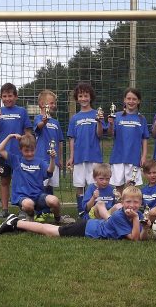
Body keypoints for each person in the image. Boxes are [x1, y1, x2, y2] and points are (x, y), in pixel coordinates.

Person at [0, 185, 151, 241]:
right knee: (53, 231)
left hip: (92, 225)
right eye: (128, 202)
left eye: (136, 202)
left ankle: (17, 223)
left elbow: (141, 237)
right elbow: (134, 239)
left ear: (141, 203)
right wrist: (137, 219)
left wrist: (147, 227)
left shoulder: (136, 215)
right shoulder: (120, 215)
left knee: (53, 231)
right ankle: (16, 222)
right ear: (122, 203)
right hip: (87, 229)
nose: (132, 205)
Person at [0, 133, 75, 224]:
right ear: (20, 150)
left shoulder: (40, 162)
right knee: (28, 204)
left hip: (38, 196)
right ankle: (30, 215)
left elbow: (50, 171)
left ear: (35, 149)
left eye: (32, 150)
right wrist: (10, 136)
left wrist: (52, 159)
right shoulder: (16, 161)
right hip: (23, 197)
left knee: (55, 201)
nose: (29, 153)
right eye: (26, 151)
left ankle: (58, 219)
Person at [0, 83, 32, 219]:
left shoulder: (22, 111)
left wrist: (26, 144)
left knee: (21, 181)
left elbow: (28, 132)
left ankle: (23, 208)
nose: (7, 99)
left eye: (10, 96)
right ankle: (4, 209)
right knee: (4, 181)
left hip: (19, 154)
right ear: (1, 97)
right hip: (3, 153)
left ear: (16, 97)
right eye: (5, 96)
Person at [66, 82, 105, 216]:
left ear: (91, 97)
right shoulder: (75, 118)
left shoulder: (97, 114)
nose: (83, 98)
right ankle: (81, 212)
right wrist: (71, 157)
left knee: (94, 185)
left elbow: (100, 134)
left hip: (94, 156)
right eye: (80, 96)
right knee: (79, 185)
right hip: (79, 157)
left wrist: (99, 121)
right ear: (77, 98)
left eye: (86, 96)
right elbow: (72, 139)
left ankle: (93, 212)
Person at [108, 87, 149, 191]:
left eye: (134, 99)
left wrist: (143, 157)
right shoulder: (116, 116)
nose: (131, 101)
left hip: (134, 158)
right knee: (118, 188)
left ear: (138, 101)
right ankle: (119, 207)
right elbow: (111, 134)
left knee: (132, 188)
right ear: (124, 100)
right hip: (118, 158)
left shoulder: (141, 118)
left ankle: (131, 207)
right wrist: (111, 124)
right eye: (129, 98)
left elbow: (144, 139)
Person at [33, 90, 64, 222]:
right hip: (42, 159)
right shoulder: (38, 119)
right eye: (50, 103)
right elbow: (38, 127)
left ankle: (49, 210)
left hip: (54, 160)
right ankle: (38, 211)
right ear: (41, 104)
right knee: (41, 186)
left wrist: (60, 159)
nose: (53, 105)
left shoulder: (56, 122)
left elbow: (60, 141)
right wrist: (44, 121)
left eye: (54, 103)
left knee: (50, 185)